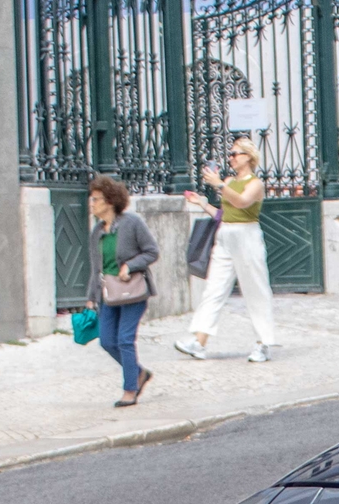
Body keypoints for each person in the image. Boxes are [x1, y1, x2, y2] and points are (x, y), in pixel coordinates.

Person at [176, 137, 278, 362]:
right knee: (214, 288)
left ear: (248, 157)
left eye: (235, 154)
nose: (230, 158)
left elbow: (242, 203)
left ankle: (264, 342)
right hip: (226, 233)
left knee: (255, 289)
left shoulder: (255, 184)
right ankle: (199, 342)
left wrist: (219, 185)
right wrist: (202, 203)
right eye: (230, 154)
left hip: (247, 235)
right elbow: (224, 214)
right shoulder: (230, 180)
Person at [86, 175, 157, 407]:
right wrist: (91, 298)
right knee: (107, 341)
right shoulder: (97, 232)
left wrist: (130, 265)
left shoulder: (132, 223)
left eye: (95, 199)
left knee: (125, 339)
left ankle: (130, 389)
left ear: (109, 201)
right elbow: (96, 268)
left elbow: (151, 252)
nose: (91, 203)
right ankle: (138, 372)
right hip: (109, 294)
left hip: (133, 291)